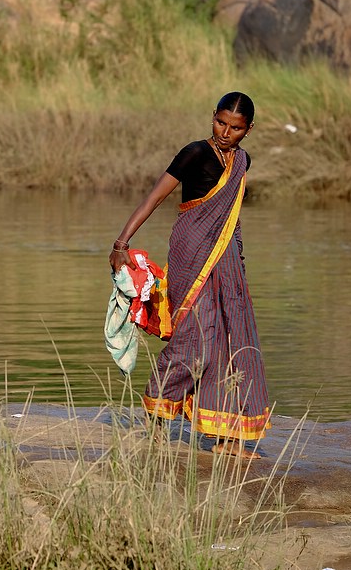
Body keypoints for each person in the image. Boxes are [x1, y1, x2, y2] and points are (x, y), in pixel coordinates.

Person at [108, 92, 270, 459]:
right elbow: (153, 198)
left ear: (249, 130)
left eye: (236, 128)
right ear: (212, 116)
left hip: (226, 258)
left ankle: (227, 437)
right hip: (190, 251)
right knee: (196, 340)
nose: (226, 132)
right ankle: (157, 405)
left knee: (232, 340)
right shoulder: (194, 153)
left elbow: (232, 219)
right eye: (221, 123)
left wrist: (238, 261)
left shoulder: (242, 162)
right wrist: (121, 243)